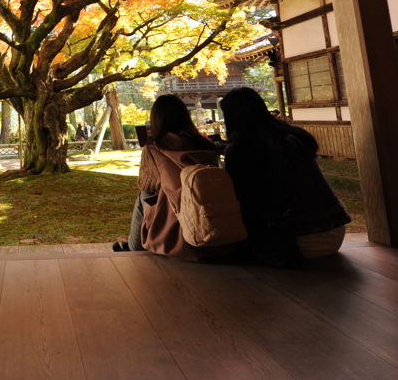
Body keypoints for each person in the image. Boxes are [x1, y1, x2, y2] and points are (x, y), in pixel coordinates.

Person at [219, 87, 351, 268]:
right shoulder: (292, 136)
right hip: (334, 231)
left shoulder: (242, 148)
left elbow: (241, 198)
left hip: (297, 242)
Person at [113, 94, 232, 262]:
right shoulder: (205, 144)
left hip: (177, 216)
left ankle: (135, 245)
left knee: (144, 196)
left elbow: (147, 185)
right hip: (211, 215)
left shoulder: (155, 148)